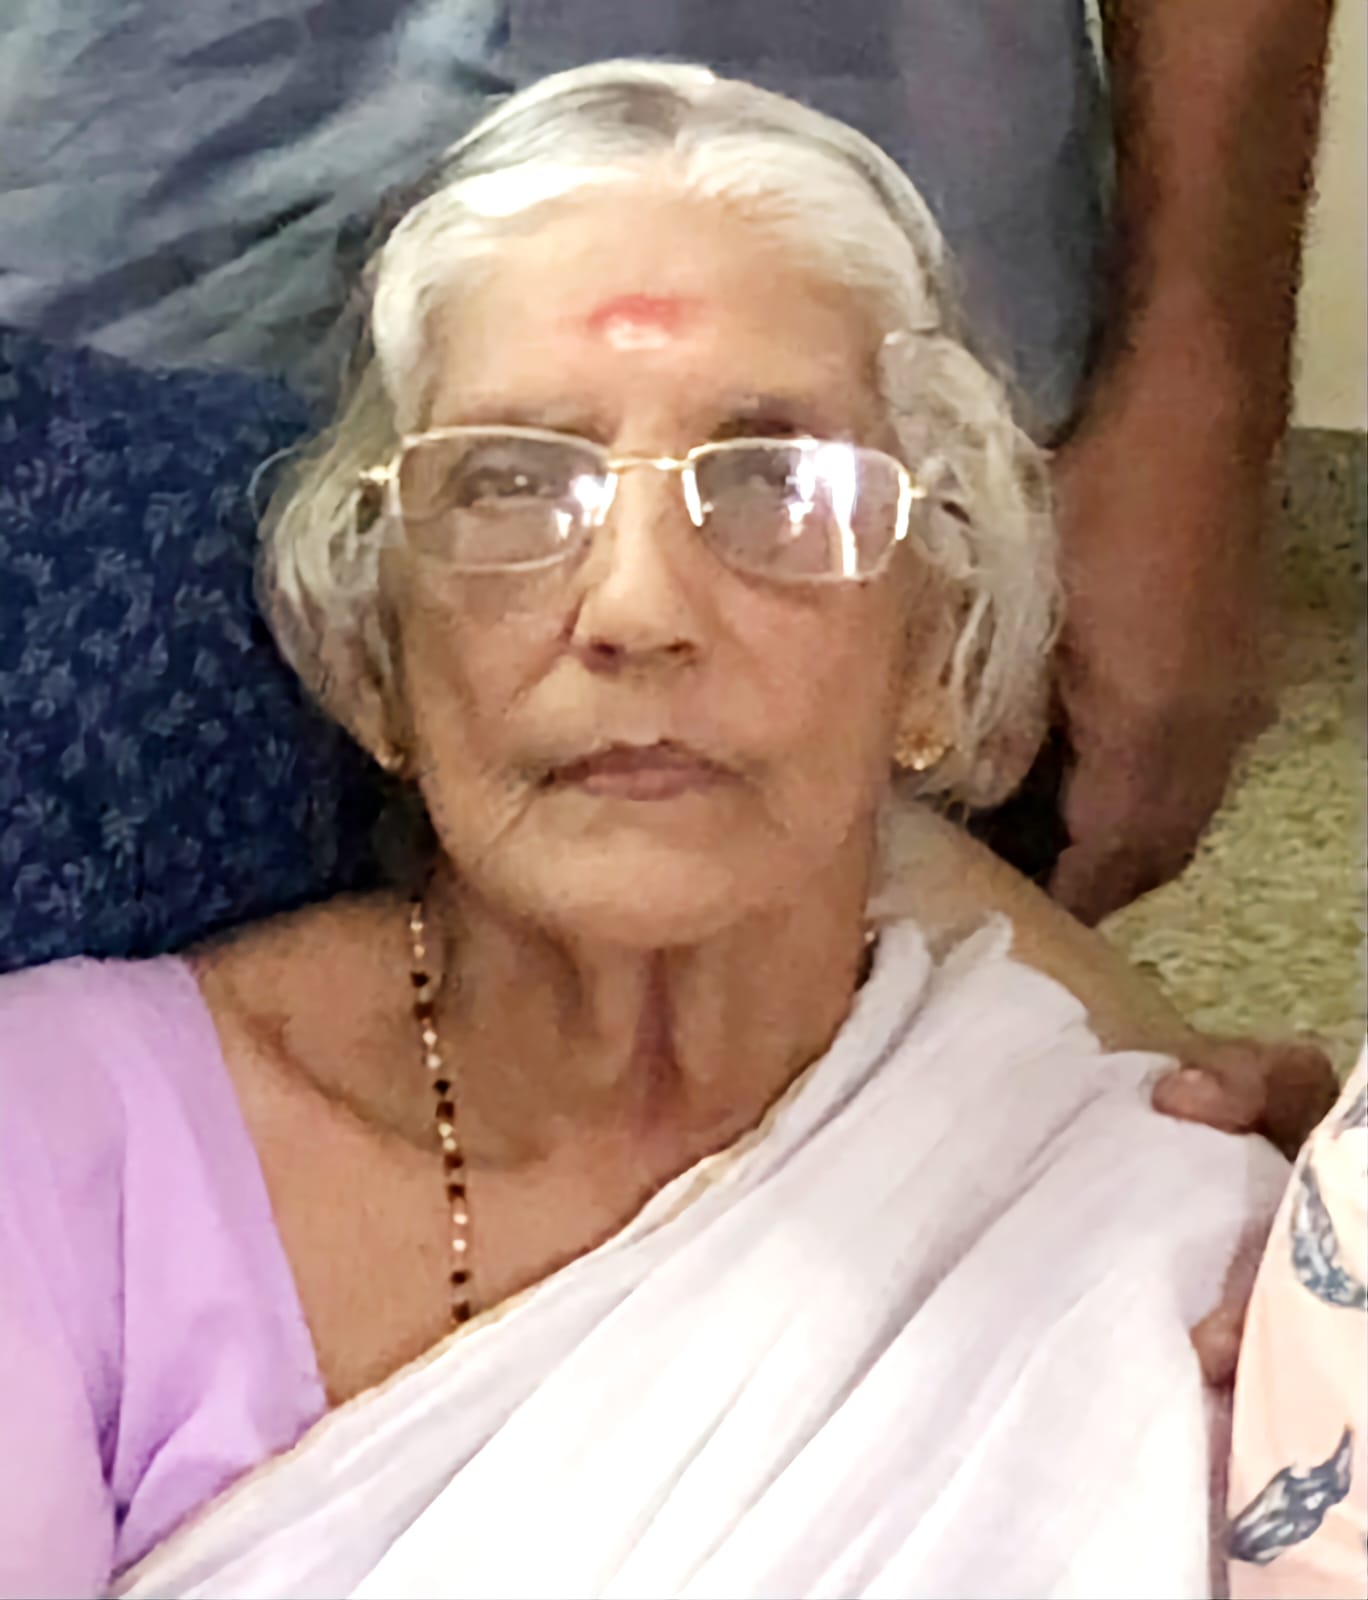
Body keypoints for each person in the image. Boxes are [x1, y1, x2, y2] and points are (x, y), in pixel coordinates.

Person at [0, 65, 1327, 1598]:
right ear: (374, 661)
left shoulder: (1173, 1228)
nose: (636, 608)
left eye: (777, 485)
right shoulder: (63, 1142)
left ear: (936, 653)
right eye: (509, 485)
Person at [0, 1, 1333, 923]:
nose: (630, 610)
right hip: (120, 238)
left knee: (850, 1034)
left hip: (890, 245)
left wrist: (1202, 404)